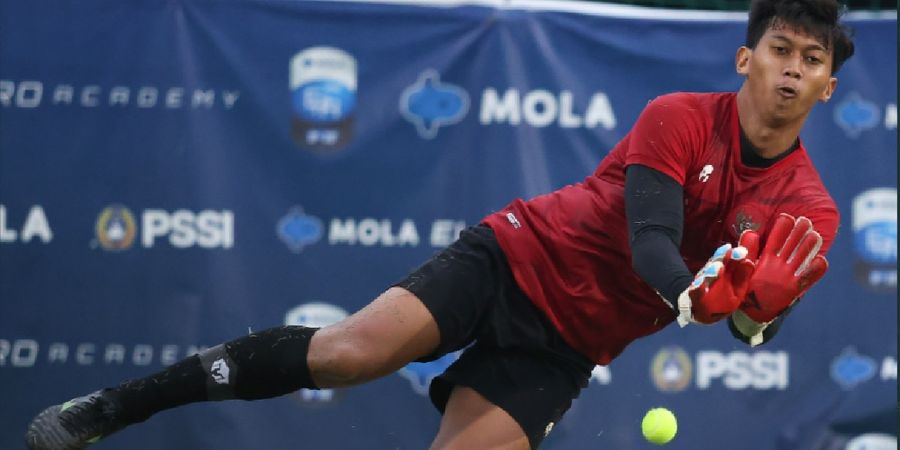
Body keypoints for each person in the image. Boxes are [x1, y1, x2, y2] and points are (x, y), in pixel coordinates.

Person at [25, 0, 855, 448]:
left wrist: (755, 316)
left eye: (812, 61)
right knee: (348, 353)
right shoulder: (676, 115)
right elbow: (650, 242)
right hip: (515, 255)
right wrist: (699, 299)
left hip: (571, 344)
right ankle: (117, 407)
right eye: (781, 49)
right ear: (746, 58)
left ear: (827, 88)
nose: (792, 69)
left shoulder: (812, 208)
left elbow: (754, 329)